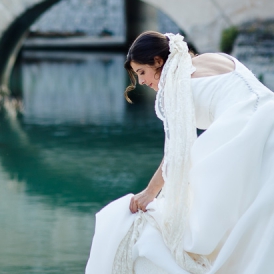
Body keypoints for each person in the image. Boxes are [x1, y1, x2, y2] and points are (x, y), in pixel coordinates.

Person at [86, 31, 274, 274]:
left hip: (244, 133)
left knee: (215, 223)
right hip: (268, 117)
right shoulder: (217, 59)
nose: (142, 81)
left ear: (158, 61)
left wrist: (149, 193)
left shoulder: (173, 87)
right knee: (259, 211)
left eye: (142, 72)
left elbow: (177, 152)